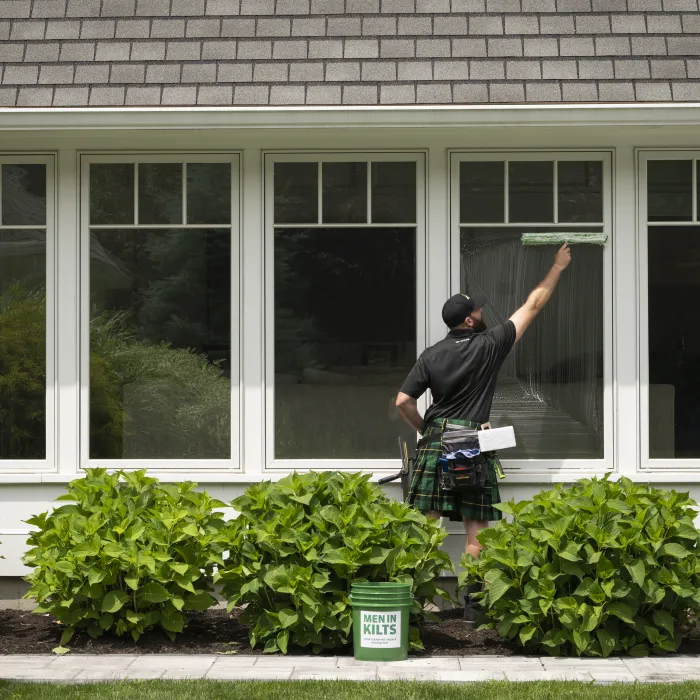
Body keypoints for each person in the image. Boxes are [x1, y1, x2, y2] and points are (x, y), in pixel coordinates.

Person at [395, 243, 572, 624]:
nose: (481, 310)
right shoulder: (490, 345)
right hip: (471, 443)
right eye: (477, 308)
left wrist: (426, 429)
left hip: (436, 441)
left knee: (426, 525)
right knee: (477, 530)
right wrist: (557, 267)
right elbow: (533, 305)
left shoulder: (430, 355)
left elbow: (402, 401)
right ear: (471, 321)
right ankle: (473, 609)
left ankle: (412, 608)